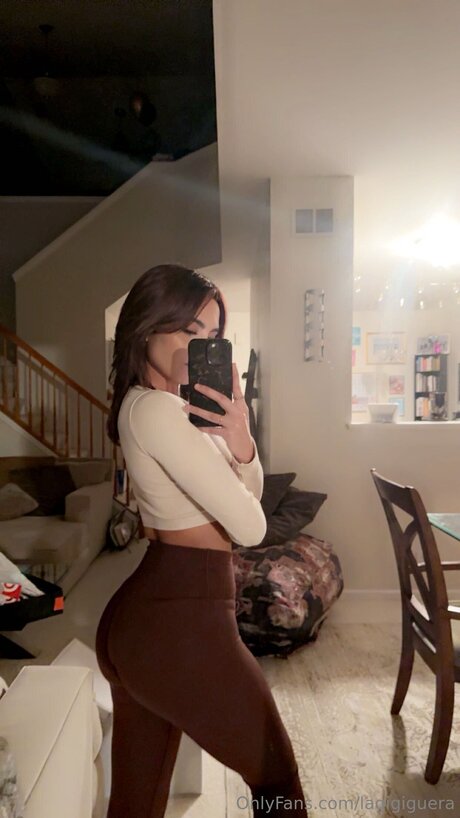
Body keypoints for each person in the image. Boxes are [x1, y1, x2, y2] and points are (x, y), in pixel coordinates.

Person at [95, 263, 309, 817]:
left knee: (137, 802)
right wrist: (238, 461)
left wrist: (241, 439)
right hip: (179, 617)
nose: (200, 347)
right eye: (189, 331)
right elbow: (251, 527)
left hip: (158, 614)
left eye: (212, 335)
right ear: (147, 328)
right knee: (279, 784)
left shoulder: (164, 407)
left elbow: (250, 496)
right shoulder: (158, 411)